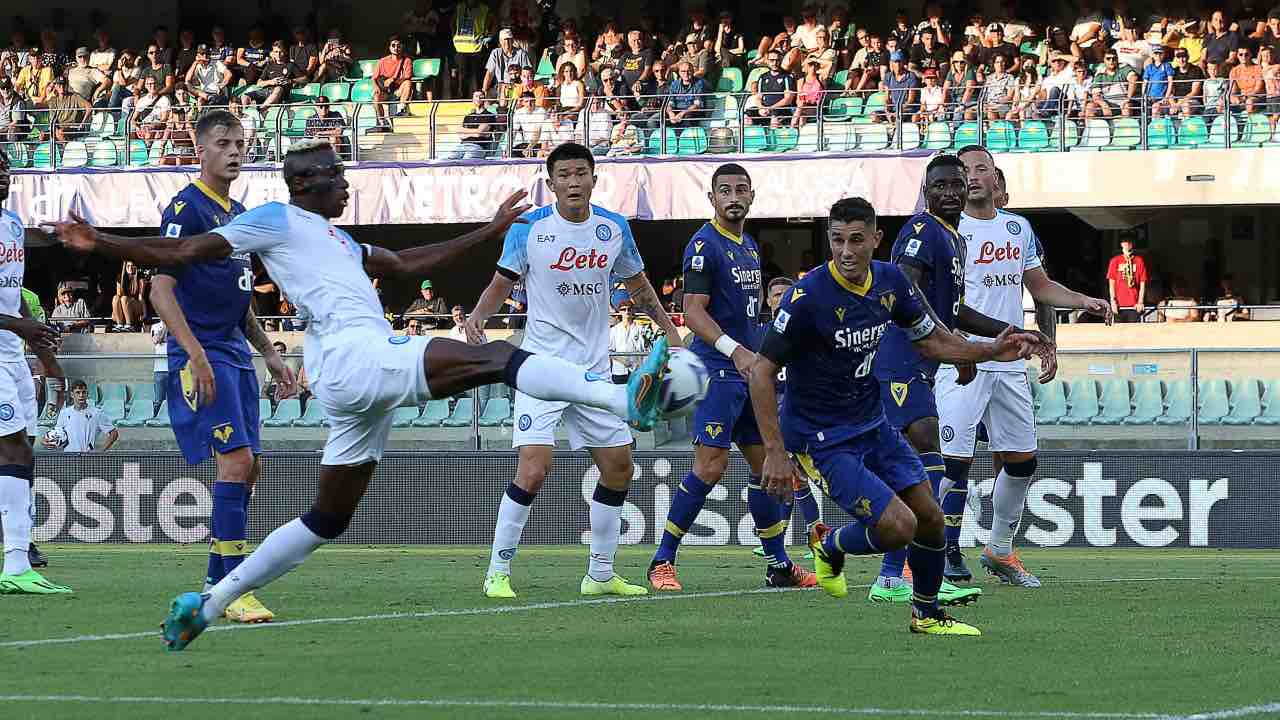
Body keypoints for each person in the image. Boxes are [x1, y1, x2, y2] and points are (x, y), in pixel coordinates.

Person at [51, 138, 674, 650]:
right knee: (500, 358)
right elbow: (184, 250)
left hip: (348, 379)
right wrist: (100, 241)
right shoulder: (273, 219)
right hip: (355, 356)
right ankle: (623, 399)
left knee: (328, 517)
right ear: (311, 181)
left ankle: (207, 604)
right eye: (339, 176)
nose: (348, 186)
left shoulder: (339, 239)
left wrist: (488, 230)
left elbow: (404, 264)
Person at [748, 197, 1039, 636]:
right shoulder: (806, 297)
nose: (846, 251)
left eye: (856, 240)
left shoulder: (890, 282)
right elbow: (761, 372)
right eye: (837, 240)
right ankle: (830, 545)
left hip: (872, 424)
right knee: (899, 527)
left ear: (876, 239)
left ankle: (927, 615)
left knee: (932, 518)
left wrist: (989, 350)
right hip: (821, 438)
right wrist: (773, 451)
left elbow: (930, 340)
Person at [468, 142, 681, 600]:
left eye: (581, 173)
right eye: (564, 175)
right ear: (551, 183)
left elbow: (638, 284)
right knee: (534, 469)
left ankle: (600, 575)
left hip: (593, 373)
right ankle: (497, 571)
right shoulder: (528, 228)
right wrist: (476, 319)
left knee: (619, 468)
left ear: (594, 179)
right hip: (540, 368)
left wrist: (670, 330)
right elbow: (501, 281)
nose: (573, 182)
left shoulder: (614, 228)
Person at [868, 154, 1049, 604]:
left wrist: (1001, 334)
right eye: (940, 185)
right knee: (926, 448)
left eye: (956, 183)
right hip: (901, 360)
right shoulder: (920, 230)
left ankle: (897, 570)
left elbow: (955, 310)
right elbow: (904, 291)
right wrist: (959, 347)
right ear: (926, 192)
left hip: (929, 361)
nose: (950, 192)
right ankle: (897, 570)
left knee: (919, 457)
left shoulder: (954, 241)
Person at [151, 110, 298, 624]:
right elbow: (159, 288)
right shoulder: (185, 209)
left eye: (240, 142)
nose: (235, 150)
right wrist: (192, 352)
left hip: (234, 349)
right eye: (223, 143)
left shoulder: (237, 213)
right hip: (203, 352)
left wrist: (271, 352)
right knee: (235, 463)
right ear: (200, 150)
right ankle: (228, 588)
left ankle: (221, 579)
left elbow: (240, 298)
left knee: (250, 466)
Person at [942, 147, 1112, 587]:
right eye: (965, 171)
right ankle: (942, 550)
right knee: (952, 465)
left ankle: (1000, 549)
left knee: (1021, 463)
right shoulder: (948, 229)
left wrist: (1083, 301)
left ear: (997, 181)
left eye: (982, 169)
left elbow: (1039, 287)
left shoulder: (1018, 228)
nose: (973, 176)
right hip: (963, 358)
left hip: (1011, 362)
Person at [648, 163, 816, 592]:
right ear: (712, 198)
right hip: (718, 371)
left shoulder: (750, 247)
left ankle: (778, 566)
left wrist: (758, 354)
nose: (734, 197)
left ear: (752, 196)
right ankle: (661, 560)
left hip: (748, 371)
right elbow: (693, 310)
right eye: (725, 190)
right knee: (710, 467)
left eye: (741, 189)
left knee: (768, 472)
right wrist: (734, 351)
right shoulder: (704, 245)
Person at [0, 146, 72, 595]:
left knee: (22, 449)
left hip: (10, 351)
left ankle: (20, 553)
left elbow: (10, 296)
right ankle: (14, 562)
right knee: (12, 447)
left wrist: (33, 337)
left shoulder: (11, 225)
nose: (3, 173)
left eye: (5, 166)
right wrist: (22, 326)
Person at [45, 380, 118, 452]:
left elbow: (114, 433)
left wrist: (101, 450)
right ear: (72, 395)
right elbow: (58, 433)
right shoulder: (64, 413)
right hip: (69, 457)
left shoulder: (96, 413)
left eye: (84, 392)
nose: (81, 395)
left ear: (87, 394)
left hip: (87, 458)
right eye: (78, 392)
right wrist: (46, 441)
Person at [1106, 233, 1148, 322]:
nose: (1127, 244)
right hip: (1119, 306)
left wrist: (1140, 301)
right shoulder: (1115, 261)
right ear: (1121, 244)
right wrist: (1113, 301)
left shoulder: (1139, 261)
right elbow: (1111, 283)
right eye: (1124, 241)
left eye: (1129, 241)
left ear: (1133, 244)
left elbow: (1142, 283)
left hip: (1134, 305)